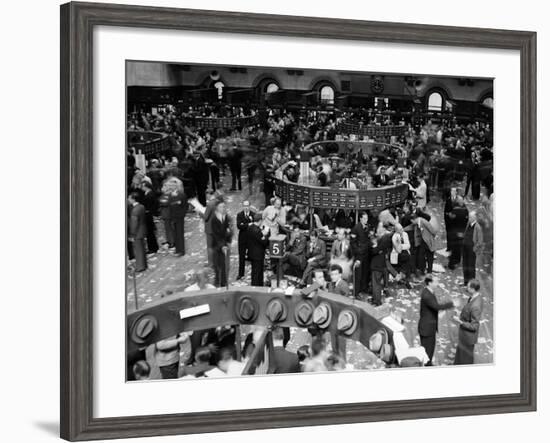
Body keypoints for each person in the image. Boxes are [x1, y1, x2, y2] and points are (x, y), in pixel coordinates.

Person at [417, 275, 456, 366]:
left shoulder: (428, 291)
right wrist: (451, 304)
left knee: (428, 349)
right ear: (430, 283)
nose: (438, 283)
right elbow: (437, 307)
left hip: (428, 326)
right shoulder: (427, 295)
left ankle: (427, 363)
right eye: (436, 281)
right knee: (428, 350)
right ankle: (427, 365)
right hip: (427, 328)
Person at [453, 279, 484, 365]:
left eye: (468, 287)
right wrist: (461, 314)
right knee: (461, 355)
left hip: (468, 337)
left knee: (465, 359)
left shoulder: (476, 306)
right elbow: (469, 312)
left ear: (473, 289)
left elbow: (474, 326)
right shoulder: (475, 297)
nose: (467, 288)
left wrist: (460, 321)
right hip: (465, 335)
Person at [210, 200, 233, 287]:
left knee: (224, 266)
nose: (223, 208)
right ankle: (217, 283)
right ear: (217, 208)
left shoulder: (225, 217)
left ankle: (223, 283)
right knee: (217, 266)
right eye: (221, 207)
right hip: (217, 245)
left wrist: (228, 240)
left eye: (224, 206)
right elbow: (216, 234)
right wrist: (222, 245)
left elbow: (228, 230)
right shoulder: (214, 219)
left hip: (224, 245)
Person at [370, 224, 394, 306]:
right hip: (382, 263)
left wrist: (373, 247)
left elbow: (374, 251)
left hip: (377, 264)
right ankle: (375, 299)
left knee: (376, 283)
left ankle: (377, 301)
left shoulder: (382, 239)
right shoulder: (386, 238)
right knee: (377, 283)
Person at [350, 212, 372, 297]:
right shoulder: (355, 228)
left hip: (366, 254)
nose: (366, 220)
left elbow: (369, 238)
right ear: (360, 218)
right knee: (358, 274)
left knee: (365, 272)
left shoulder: (367, 227)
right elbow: (352, 243)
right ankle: (356, 292)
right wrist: (358, 251)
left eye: (367, 218)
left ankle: (364, 288)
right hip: (359, 255)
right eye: (364, 218)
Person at [247, 213, 270, 286]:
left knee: (254, 272)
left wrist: (262, 233)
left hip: (252, 253)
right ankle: (257, 287)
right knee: (258, 273)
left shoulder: (250, 227)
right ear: (260, 221)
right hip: (258, 255)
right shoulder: (257, 231)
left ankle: (256, 285)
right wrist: (266, 235)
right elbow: (264, 242)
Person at [462, 210, 484, 285]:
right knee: (465, 265)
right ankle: (466, 282)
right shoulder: (468, 224)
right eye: (469, 216)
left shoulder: (478, 227)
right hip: (465, 248)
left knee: (471, 267)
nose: (469, 218)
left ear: (475, 218)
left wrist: (474, 248)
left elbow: (480, 241)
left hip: (471, 250)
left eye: (471, 217)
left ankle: (472, 285)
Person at [128, 191, 147, 272]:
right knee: (142, 248)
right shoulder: (141, 206)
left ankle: (140, 266)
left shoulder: (135, 210)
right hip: (142, 229)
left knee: (138, 250)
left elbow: (134, 224)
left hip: (137, 232)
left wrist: (132, 234)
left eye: (129, 198)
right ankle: (144, 264)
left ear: (133, 199)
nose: (128, 199)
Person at [168, 177, 187, 256]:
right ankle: (177, 249)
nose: (171, 187)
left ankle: (181, 251)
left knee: (179, 233)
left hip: (179, 217)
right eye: (170, 185)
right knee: (175, 234)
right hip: (173, 216)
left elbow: (185, 206)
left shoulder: (181, 195)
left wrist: (181, 215)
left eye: (172, 185)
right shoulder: (170, 195)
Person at [236, 200, 255, 280]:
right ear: (243, 206)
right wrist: (248, 224)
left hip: (251, 239)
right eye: (244, 206)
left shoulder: (253, 214)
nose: (246, 207)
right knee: (242, 256)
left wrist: (245, 224)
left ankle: (253, 274)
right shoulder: (239, 215)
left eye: (247, 205)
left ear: (249, 206)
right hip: (242, 239)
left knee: (253, 256)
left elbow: (254, 225)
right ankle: (241, 274)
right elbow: (239, 226)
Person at [448, 195, 469, 269]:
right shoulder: (465, 210)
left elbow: (451, 218)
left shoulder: (455, 210)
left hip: (455, 232)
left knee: (455, 248)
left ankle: (452, 263)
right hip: (462, 232)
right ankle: (457, 261)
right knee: (458, 248)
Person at [141, 181, 159, 254]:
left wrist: (150, 211)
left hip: (148, 214)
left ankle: (152, 248)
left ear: (146, 186)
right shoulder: (147, 193)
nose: (142, 188)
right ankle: (153, 247)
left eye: (143, 186)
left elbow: (153, 204)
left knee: (150, 232)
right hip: (148, 213)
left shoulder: (150, 194)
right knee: (150, 231)